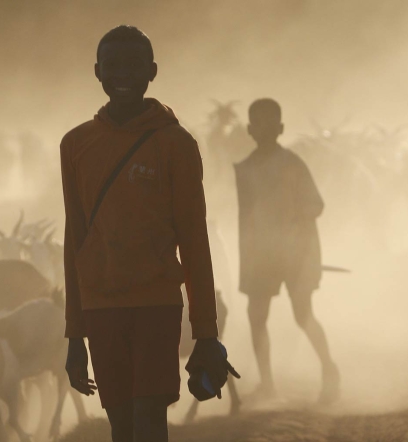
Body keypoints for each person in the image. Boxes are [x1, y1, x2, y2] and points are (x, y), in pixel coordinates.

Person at [61, 25, 238, 442]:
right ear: (97, 72)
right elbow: (76, 240)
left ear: (152, 72)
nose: (122, 74)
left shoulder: (176, 143)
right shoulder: (75, 144)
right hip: (100, 306)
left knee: (149, 421)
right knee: (121, 426)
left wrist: (206, 331)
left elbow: (195, 241)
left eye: (133, 65)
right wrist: (74, 335)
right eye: (113, 65)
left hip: (156, 303)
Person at [235, 98, 340, 405]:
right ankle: (267, 385)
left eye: (271, 125)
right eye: (259, 125)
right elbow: (245, 219)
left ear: (280, 129)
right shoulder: (245, 170)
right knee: (256, 316)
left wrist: (291, 224)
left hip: (296, 253)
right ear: (250, 129)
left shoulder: (293, 164)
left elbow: (316, 205)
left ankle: (329, 369)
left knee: (302, 314)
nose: (265, 131)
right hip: (260, 256)